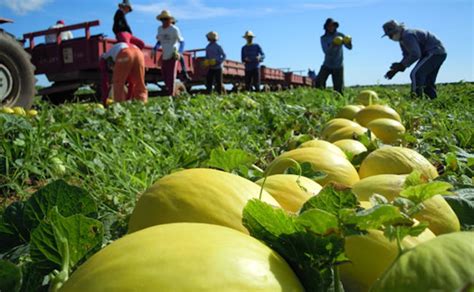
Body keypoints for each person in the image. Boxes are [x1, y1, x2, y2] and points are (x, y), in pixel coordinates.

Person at [382, 20, 447, 99]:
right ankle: (432, 100)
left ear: (397, 30)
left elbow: (415, 54)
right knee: (428, 79)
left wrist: (402, 65)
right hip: (438, 53)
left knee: (416, 74)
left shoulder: (407, 35)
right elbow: (407, 56)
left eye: (391, 35)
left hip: (433, 52)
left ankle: (416, 99)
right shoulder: (402, 39)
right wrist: (396, 70)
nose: (390, 38)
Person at [315, 18, 352, 95]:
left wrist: (349, 42)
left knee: (339, 89)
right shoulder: (323, 38)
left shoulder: (340, 35)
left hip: (338, 65)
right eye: (330, 26)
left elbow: (349, 48)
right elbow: (326, 52)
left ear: (335, 27)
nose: (332, 27)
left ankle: (338, 100)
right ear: (326, 27)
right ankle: (321, 96)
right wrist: (333, 45)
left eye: (333, 26)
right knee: (319, 82)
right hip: (327, 64)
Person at [153, 10, 185, 97]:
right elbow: (159, 41)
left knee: (171, 76)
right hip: (165, 55)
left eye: (166, 19)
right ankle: (172, 93)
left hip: (173, 55)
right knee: (164, 75)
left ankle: (171, 95)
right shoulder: (159, 29)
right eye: (162, 19)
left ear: (170, 20)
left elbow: (182, 41)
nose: (164, 21)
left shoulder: (174, 29)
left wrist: (180, 52)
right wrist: (155, 48)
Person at [170, 17, 191, 81]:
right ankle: (184, 72)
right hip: (168, 50)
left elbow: (182, 42)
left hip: (173, 50)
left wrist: (179, 52)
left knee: (180, 57)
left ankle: (184, 72)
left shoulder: (175, 30)